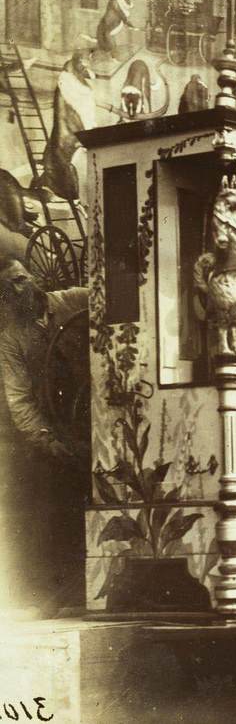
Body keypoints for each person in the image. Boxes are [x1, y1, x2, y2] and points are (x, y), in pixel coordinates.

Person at [0, 257, 90, 614]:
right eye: (9, 288)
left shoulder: (75, 300)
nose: (19, 289)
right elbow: (19, 400)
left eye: (21, 279)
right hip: (60, 433)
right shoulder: (11, 340)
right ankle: (65, 596)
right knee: (58, 506)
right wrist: (52, 443)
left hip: (103, 417)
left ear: (33, 277)